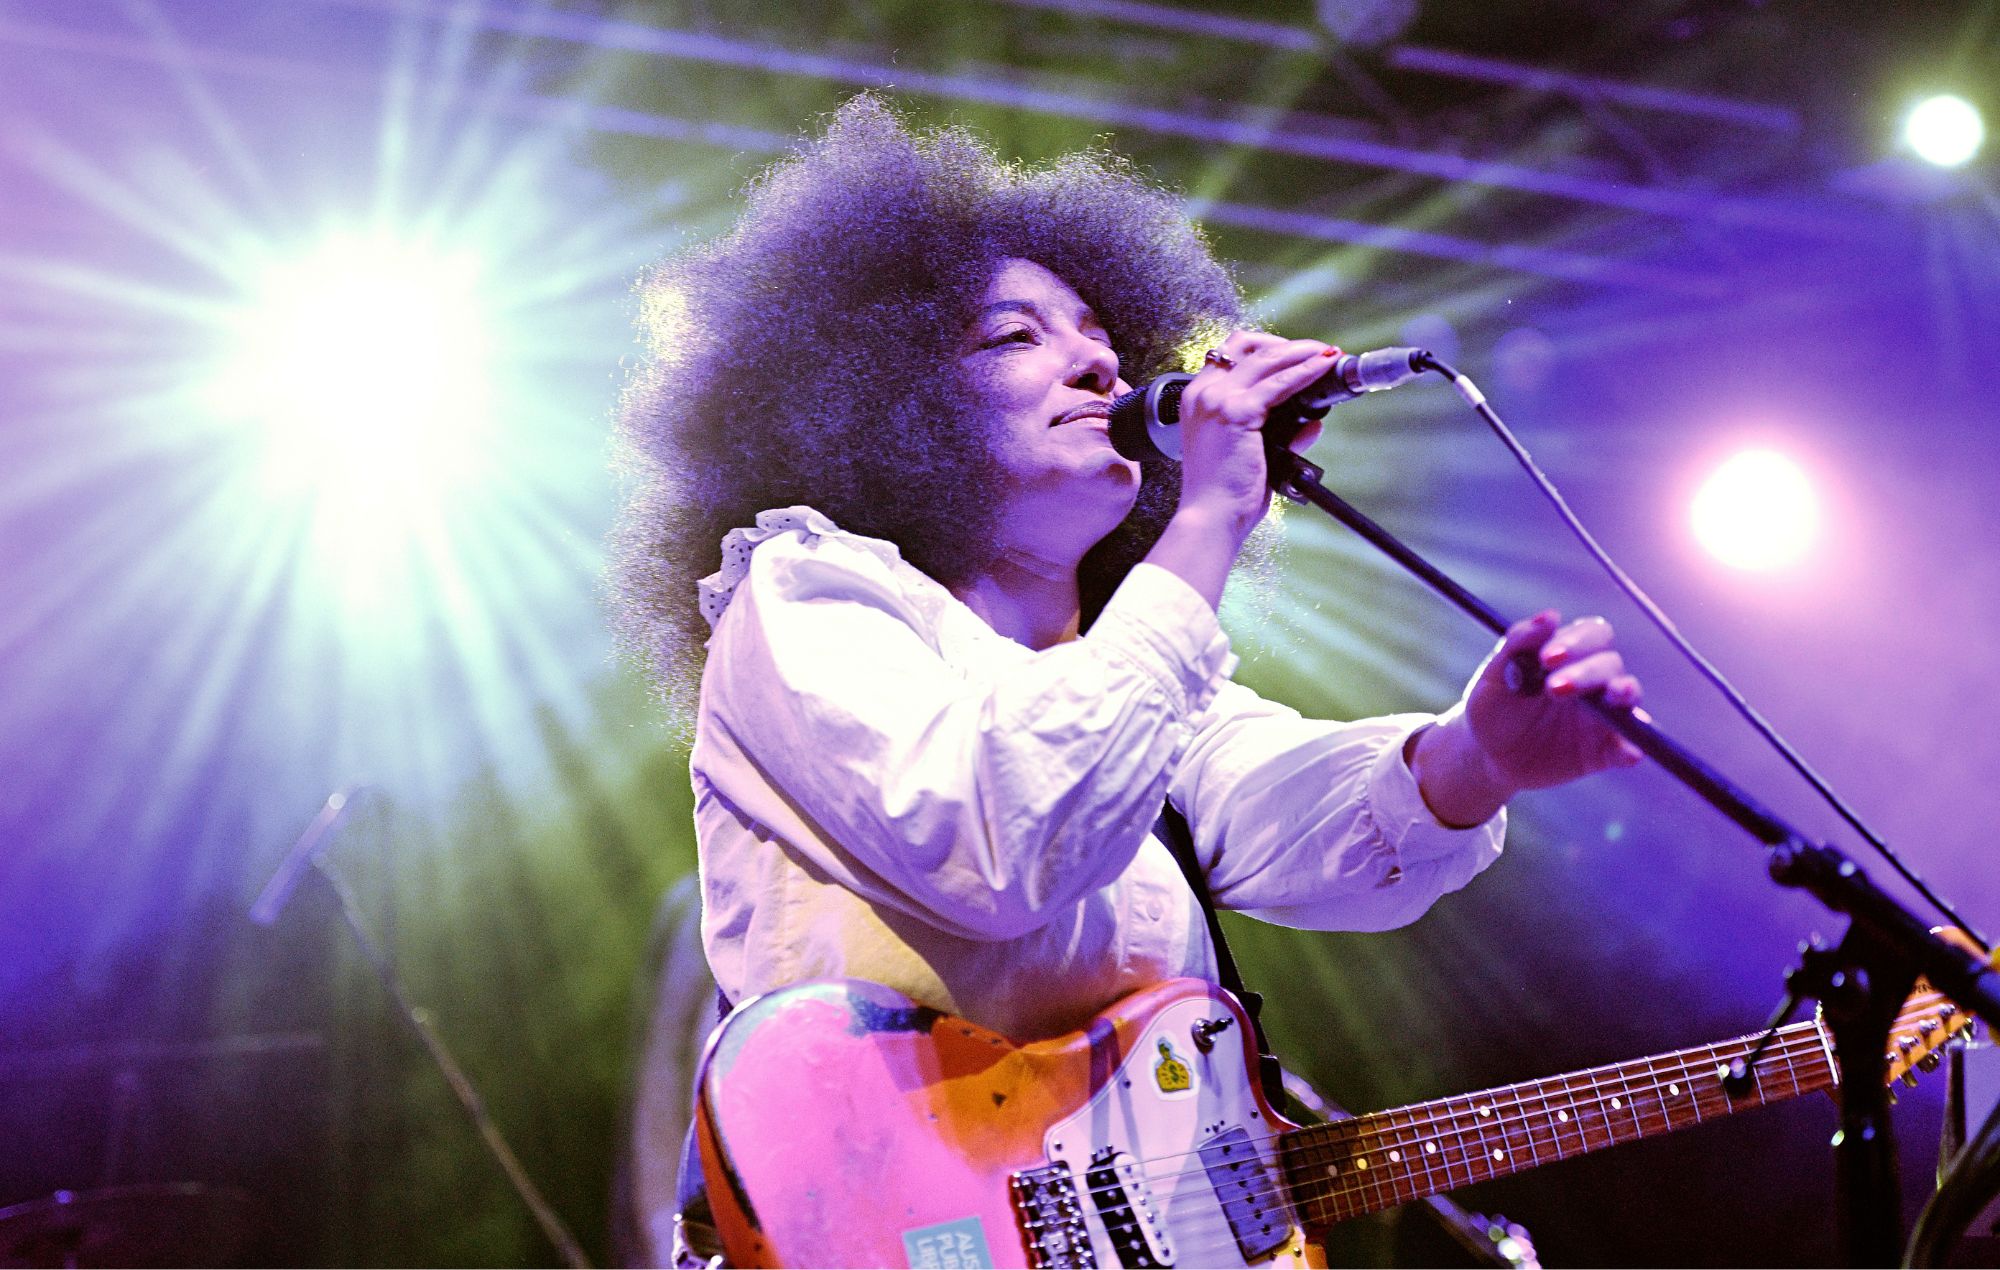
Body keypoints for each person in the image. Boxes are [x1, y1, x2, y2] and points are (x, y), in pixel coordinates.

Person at [611, 95, 1642, 1050]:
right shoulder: (803, 593)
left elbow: (1298, 816)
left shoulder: (1130, 682)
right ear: (879, 406)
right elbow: (1000, 835)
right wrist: (1210, 512)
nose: (1100, 367)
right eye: (1015, 336)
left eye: (1103, 336)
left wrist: (1477, 755)